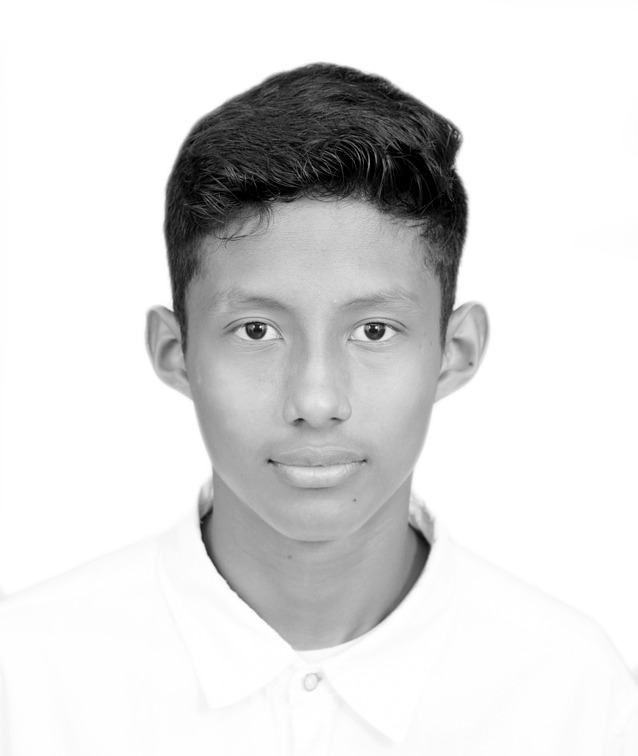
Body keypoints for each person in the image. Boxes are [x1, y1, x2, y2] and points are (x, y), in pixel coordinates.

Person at [0, 63, 636, 755]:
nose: (315, 400)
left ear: (455, 352)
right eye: (257, 331)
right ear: (175, 352)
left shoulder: (573, 694)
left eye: (374, 331)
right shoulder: (26, 678)